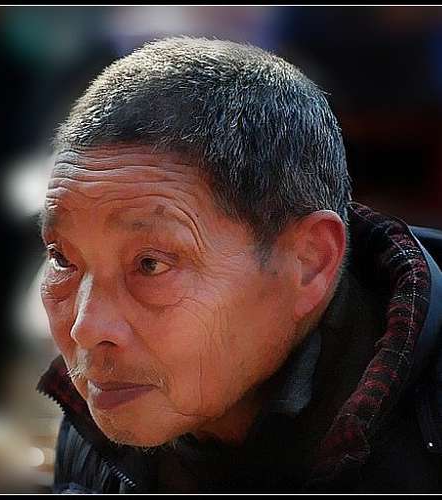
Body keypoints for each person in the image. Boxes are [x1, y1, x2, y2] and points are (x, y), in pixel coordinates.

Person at [36, 37, 441, 493]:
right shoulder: (103, 423)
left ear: (309, 262)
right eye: (62, 259)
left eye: (150, 264)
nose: (86, 329)